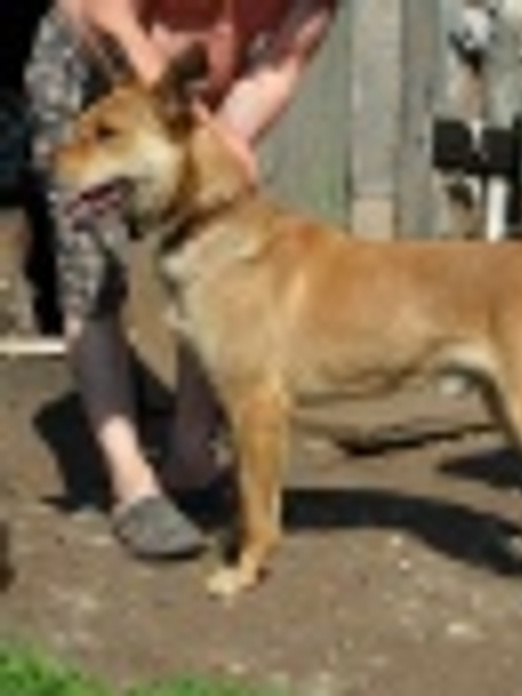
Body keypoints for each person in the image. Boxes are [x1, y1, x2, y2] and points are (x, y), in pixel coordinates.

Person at [24, 0, 339, 558]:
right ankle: (133, 485)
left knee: (213, 263)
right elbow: (108, 13)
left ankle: (191, 459)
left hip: (184, 95)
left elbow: (277, 69)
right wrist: (203, 125)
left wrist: (223, 143)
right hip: (93, 59)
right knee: (92, 269)